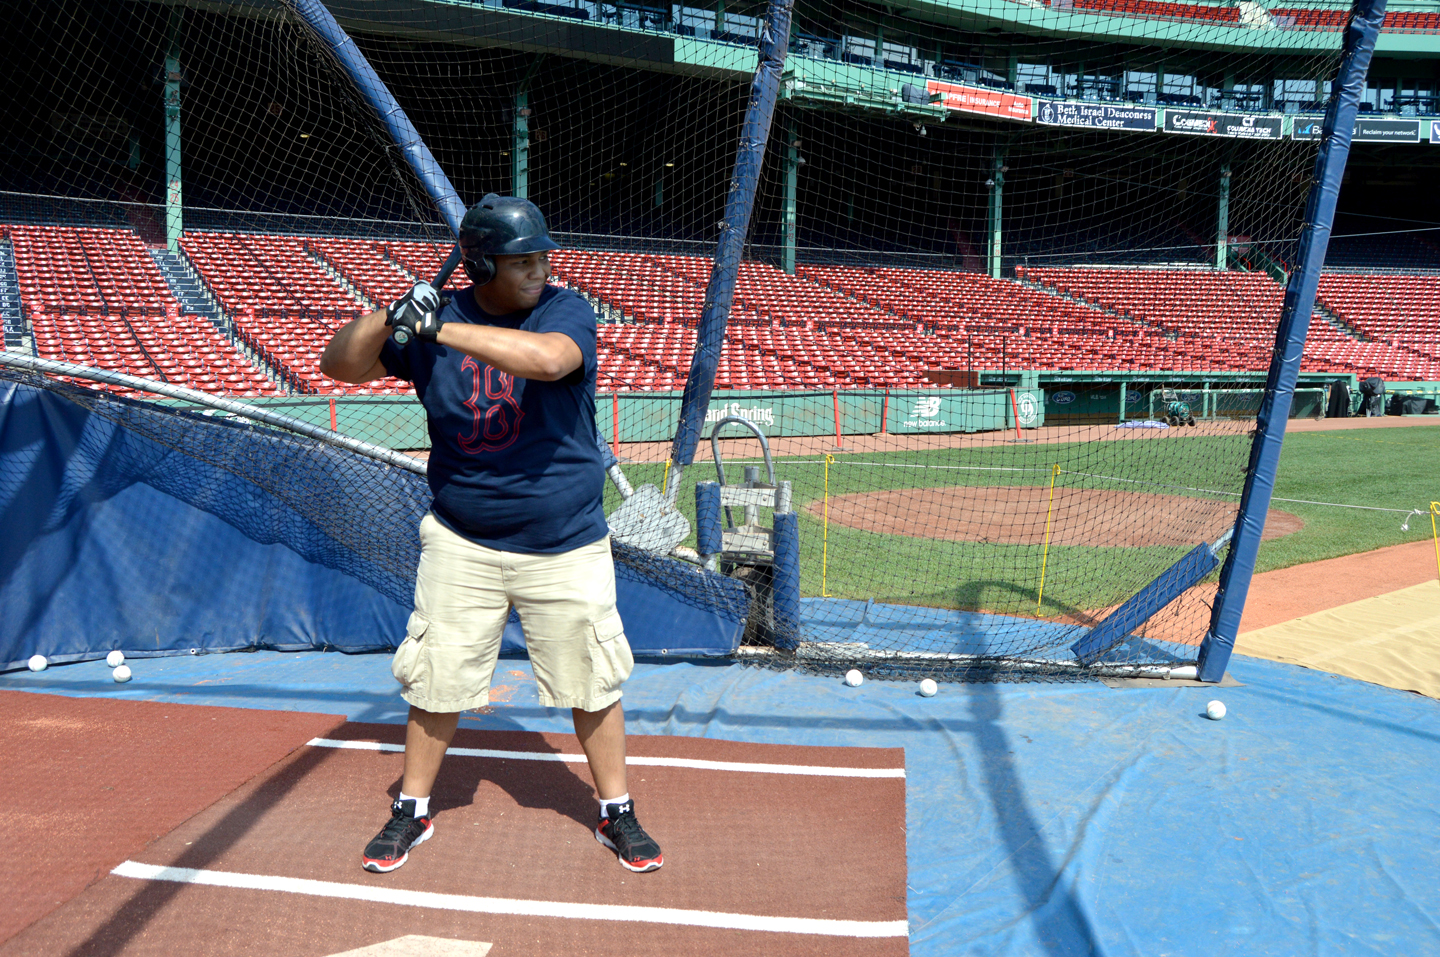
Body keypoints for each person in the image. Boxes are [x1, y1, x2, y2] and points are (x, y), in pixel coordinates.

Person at [319, 194, 662, 874]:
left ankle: (616, 810)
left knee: (592, 678)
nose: (538, 268)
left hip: (564, 539)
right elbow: (340, 365)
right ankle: (411, 810)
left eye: (541, 256)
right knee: (436, 677)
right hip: (462, 538)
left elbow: (549, 361)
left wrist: (437, 328)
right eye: (521, 260)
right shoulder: (430, 323)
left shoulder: (563, 310)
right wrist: (393, 314)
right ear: (480, 265)